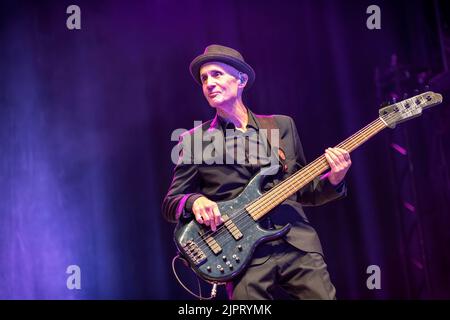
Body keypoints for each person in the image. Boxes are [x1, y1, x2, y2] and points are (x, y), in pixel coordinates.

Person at [162, 44, 352, 299]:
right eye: (204, 78)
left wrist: (335, 179)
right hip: (241, 255)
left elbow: (305, 191)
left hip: (296, 242)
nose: (208, 83)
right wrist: (195, 201)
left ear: (241, 79)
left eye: (217, 74)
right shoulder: (195, 140)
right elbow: (171, 203)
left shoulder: (281, 125)